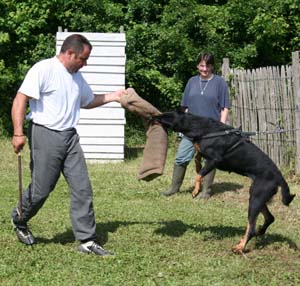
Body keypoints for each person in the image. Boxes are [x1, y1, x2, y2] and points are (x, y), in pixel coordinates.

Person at [11, 34, 127, 256]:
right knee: (41, 190)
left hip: (70, 137)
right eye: (83, 58)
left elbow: (88, 101)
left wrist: (114, 96)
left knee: (82, 188)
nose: (85, 63)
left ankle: (87, 241)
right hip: (45, 134)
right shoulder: (44, 69)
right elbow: (20, 99)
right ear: (70, 53)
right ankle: (19, 219)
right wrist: (18, 133)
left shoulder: (76, 77)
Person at [162, 52, 230, 199]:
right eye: (202, 65)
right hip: (191, 129)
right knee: (181, 157)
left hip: (211, 129)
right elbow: (184, 107)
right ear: (197, 65)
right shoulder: (191, 82)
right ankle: (174, 188)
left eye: (208, 65)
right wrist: (183, 126)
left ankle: (205, 191)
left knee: (210, 159)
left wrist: (221, 127)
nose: (205, 68)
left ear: (212, 66)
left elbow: (225, 108)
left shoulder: (220, 83)